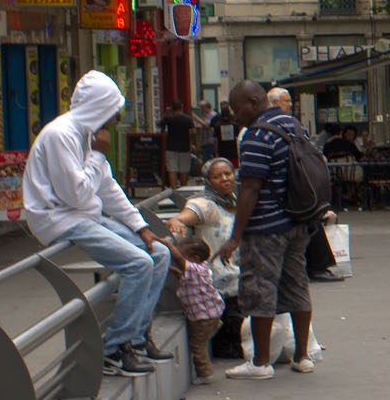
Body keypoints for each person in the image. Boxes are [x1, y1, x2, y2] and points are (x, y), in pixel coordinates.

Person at [21, 70, 176, 377]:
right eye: (113, 111)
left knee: (159, 255)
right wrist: (96, 155)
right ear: (98, 109)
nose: (116, 119)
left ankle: (136, 337)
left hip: (84, 215)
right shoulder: (61, 135)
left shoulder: (86, 136)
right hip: (60, 219)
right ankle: (114, 349)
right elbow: (77, 195)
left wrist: (142, 229)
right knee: (138, 263)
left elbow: (109, 190)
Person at [217, 80, 315, 380]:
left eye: (237, 108)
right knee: (296, 284)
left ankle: (260, 363)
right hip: (299, 220)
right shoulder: (292, 124)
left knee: (260, 288)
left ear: (254, 101)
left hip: (266, 226)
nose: (234, 115)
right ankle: (302, 356)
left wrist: (235, 237)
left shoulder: (256, 135)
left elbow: (249, 188)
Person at [168, 158, 245, 359]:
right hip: (222, 287)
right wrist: (177, 220)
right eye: (217, 176)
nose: (225, 179)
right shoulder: (207, 204)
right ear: (208, 181)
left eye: (228, 174)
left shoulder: (235, 200)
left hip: (242, 277)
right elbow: (190, 213)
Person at [173, 237, 225, 386]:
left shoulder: (194, 268)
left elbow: (178, 259)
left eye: (182, 255)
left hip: (201, 317)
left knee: (197, 345)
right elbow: (186, 280)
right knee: (201, 341)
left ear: (195, 258)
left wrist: (167, 243)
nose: (179, 259)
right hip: (210, 313)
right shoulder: (202, 268)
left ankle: (205, 373)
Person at [158, 101, 201, 189]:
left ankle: (174, 189)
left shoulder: (169, 118)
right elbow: (193, 131)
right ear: (182, 107)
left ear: (172, 108)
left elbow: (159, 125)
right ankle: (183, 188)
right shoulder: (188, 118)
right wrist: (192, 143)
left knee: (172, 169)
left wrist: (167, 112)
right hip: (184, 146)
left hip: (171, 146)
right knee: (184, 169)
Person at [214, 102, 240, 166]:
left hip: (222, 150)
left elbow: (215, 140)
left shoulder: (218, 125)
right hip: (233, 150)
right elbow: (238, 137)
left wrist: (215, 152)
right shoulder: (234, 125)